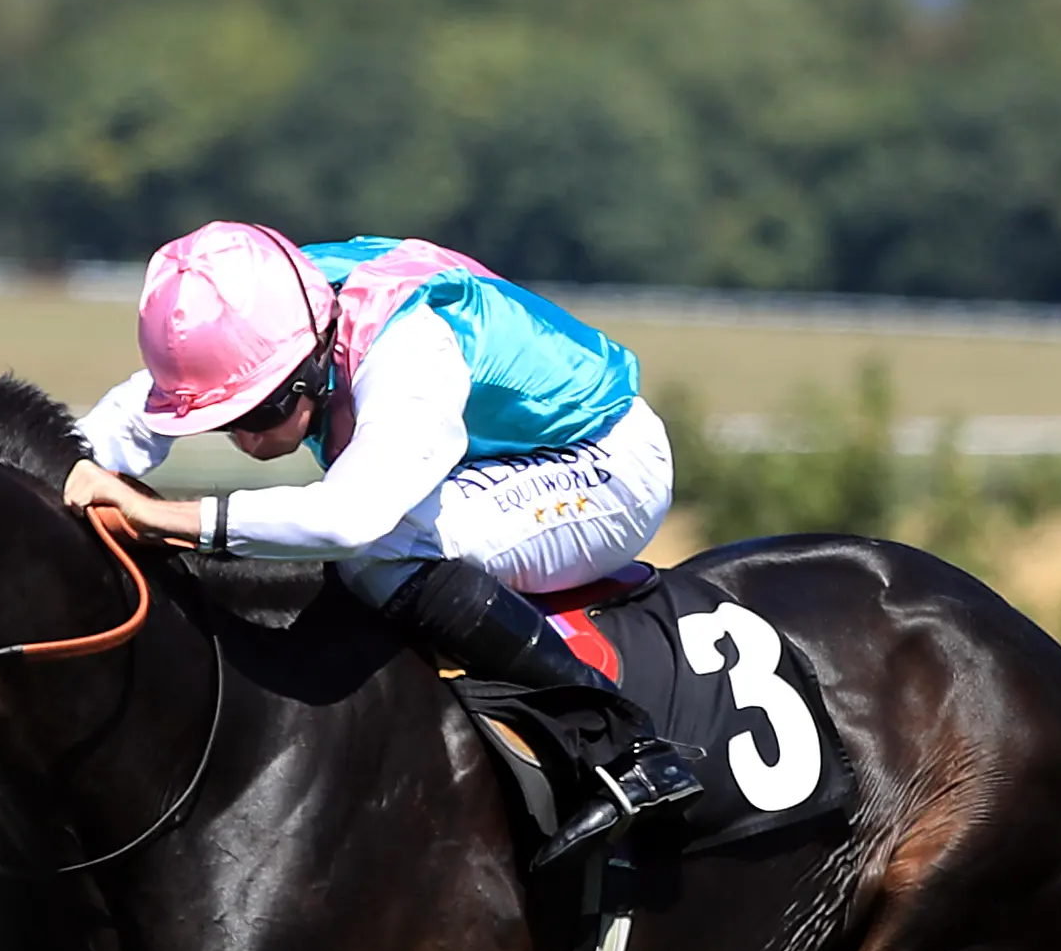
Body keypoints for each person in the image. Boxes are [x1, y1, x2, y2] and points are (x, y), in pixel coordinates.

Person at [63, 221, 702, 869]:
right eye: (220, 421)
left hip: (603, 465)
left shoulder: (410, 348)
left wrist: (161, 516)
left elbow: (352, 518)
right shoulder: (262, 313)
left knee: (379, 551)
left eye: (258, 412)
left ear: (311, 359)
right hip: (497, 453)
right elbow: (121, 423)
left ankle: (621, 743)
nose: (246, 442)